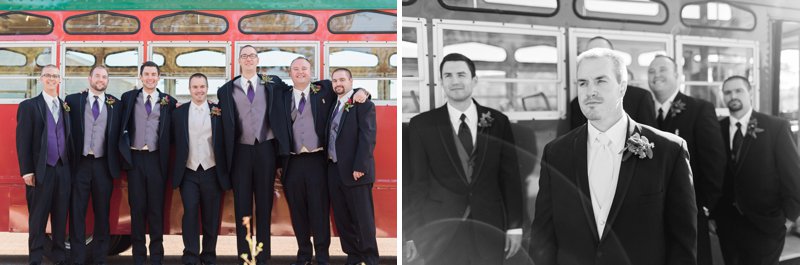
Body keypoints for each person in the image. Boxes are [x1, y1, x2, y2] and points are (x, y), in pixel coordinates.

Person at [531, 48, 697, 265]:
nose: (590, 91)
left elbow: (683, 241)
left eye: (601, 81)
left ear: (622, 87)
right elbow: (543, 236)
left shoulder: (669, 151)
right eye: (583, 83)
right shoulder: (555, 153)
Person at [405, 53, 523, 264]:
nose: (455, 81)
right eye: (448, 75)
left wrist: (515, 226)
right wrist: (412, 232)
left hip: (489, 227)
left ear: (474, 80)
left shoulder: (498, 122)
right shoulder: (421, 125)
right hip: (440, 231)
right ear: (441, 82)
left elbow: (510, 178)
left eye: (461, 74)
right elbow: (416, 183)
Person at [274, 57, 367, 265]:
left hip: (318, 160)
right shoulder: (282, 95)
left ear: (311, 71)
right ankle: (304, 255)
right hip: (292, 161)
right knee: (297, 212)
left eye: (304, 69)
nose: (300, 72)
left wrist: (363, 91)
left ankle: (322, 256)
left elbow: (345, 87)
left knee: (319, 210)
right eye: (295, 69)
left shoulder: (324, 88)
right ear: (290, 73)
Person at [714, 76, 800, 265]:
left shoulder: (775, 127)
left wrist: (789, 218)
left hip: (766, 225)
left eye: (738, 91)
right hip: (728, 225)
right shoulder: (716, 129)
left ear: (750, 93)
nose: (732, 96)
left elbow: (793, 175)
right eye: (727, 92)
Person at [648, 55, 726, 265]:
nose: (656, 75)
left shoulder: (699, 109)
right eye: (651, 71)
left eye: (662, 69)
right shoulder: (641, 112)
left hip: (690, 211)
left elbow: (714, 162)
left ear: (677, 75)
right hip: (651, 216)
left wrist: (704, 206)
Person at [217, 45, 287, 264]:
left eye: (252, 56)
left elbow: (302, 88)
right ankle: (245, 258)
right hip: (240, 152)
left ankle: (263, 258)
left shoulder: (273, 84)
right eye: (244, 56)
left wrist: (363, 92)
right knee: (242, 208)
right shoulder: (226, 89)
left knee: (265, 207)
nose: (248, 59)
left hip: (266, 149)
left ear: (258, 60)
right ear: (238, 61)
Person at [119, 61, 177, 265]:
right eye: (147, 74)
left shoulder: (168, 101)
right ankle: (138, 258)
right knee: (137, 209)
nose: (150, 77)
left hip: (156, 160)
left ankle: (156, 258)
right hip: (134, 160)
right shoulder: (128, 98)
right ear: (141, 77)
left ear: (159, 77)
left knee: (155, 210)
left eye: (154, 74)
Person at [65, 65, 122, 265]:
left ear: (107, 80)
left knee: (102, 213)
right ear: (89, 78)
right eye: (97, 75)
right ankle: (77, 258)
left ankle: (100, 259)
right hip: (79, 164)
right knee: (77, 212)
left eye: (104, 76)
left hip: (103, 165)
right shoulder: (73, 100)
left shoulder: (116, 103)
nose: (100, 79)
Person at [171, 73, 231, 265]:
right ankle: (190, 256)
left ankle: (208, 256)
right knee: (189, 214)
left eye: (202, 86)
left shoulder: (218, 111)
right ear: (189, 90)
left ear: (207, 88)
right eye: (195, 87)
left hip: (211, 171)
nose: (199, 90)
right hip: (188, 172)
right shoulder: (179, 112)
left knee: (211, 217)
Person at [16, 64, 72, 265]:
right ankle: (35, 260)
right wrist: (27, 171)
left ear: (60, 80)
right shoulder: (29, 106)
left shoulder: (65, 106)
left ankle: (59, 259)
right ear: (41, 79)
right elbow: (22, 141)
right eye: (47, 75)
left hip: (63, 170)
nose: (51, 79)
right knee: (38, 219)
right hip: (40, 171)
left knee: (60, 219)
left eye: (55, 76)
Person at [327, 68, 378, 265]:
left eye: (342, 79)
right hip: (334, 170)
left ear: (351, 81)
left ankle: (370, 258)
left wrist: (360, 166)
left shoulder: (363, 104)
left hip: (356, 171)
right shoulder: (333, 104)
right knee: (342, 218)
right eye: (334, 80)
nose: (338, 83)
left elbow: (368, 137)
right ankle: (354, 256)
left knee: (363, 219)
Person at [560, 36, 656, 135]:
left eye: (601, 81)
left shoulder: (640, 97)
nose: (591, 92)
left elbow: (651, 140)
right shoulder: (576, 104)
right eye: (590, 54)